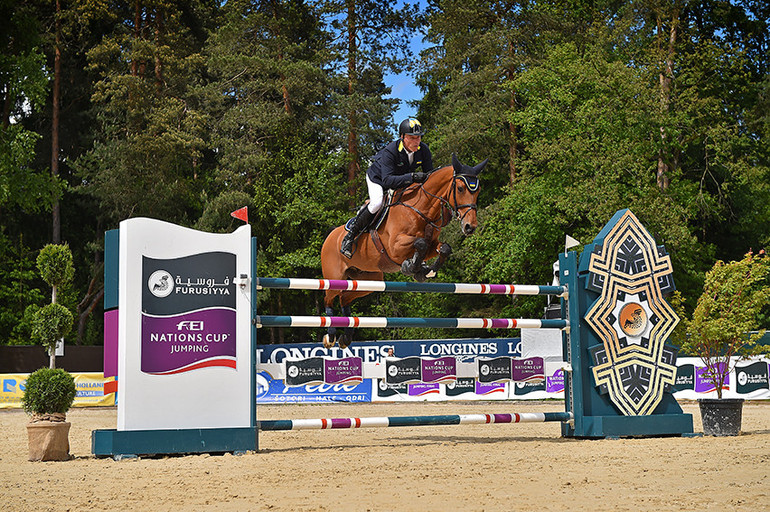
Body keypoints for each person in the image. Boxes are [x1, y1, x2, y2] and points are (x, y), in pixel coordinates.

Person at [340, 118, 434, 258]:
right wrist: (412, 177)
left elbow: (429, 176)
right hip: (379, 179)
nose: (417, 141)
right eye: (412, 137)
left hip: (402, 181)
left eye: (419, 137)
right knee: (377, 203)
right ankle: (350, 236)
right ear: (402, 137)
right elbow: (387, 180)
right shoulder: (391, 151)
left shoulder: (423, 150)